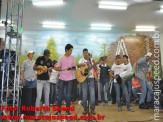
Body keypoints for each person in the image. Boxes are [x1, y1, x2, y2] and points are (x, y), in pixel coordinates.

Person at [54, 44, 76, 115]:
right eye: (70, 50)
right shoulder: (61, 58)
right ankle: (58, 111)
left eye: (72, 50)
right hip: (62, 79)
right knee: (60, 95)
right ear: (66, 50)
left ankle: (67, 111)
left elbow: (74, 67)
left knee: (68, 96)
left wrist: (72, 68)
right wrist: (62, 69)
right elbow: (56, 68)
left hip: (70, 79)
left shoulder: (73, 57)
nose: (71, 52)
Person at [33, 49, 53, 115]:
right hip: (40, 80)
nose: (47, 57)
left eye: (48, 56)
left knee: (47, 96)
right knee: (39, 96)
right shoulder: (39, 59)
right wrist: (41, 68)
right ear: (44, 55)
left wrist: (50, 69)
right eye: (46, 56)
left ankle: (47, 113)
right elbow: (34, 67)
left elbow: (51, 70)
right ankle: (37, 113)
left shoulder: (50, 61)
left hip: (47, 80)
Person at [78, 48, 96, 115]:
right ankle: (85, 109)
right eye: (84, 53)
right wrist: (81, 65)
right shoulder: (81, 60)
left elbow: (95, 68)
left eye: (86, 52)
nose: (85, 54)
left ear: (88, 53)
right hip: (84, 78)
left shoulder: (91, 60)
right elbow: (78, 66)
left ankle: (92, 109)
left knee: (92, 94)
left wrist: (95, 64)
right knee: (84, 94)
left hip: (91, 78)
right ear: (83, 54)